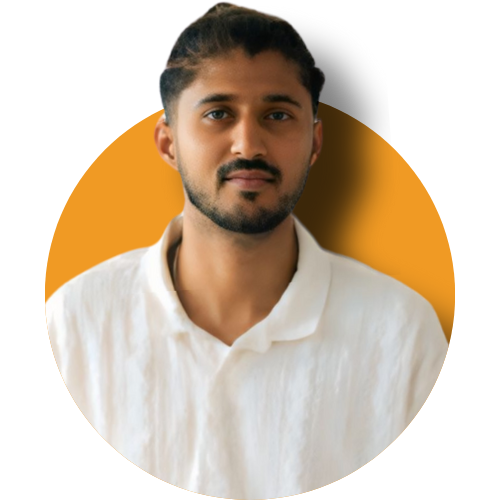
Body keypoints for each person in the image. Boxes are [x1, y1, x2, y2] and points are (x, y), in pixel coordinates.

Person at [45, 2, 448, 498]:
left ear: (315, 143)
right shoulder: (75, 324)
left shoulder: (401, 334)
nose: (248, 145)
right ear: (168, 144)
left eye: (277, 115)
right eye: (218, 114)